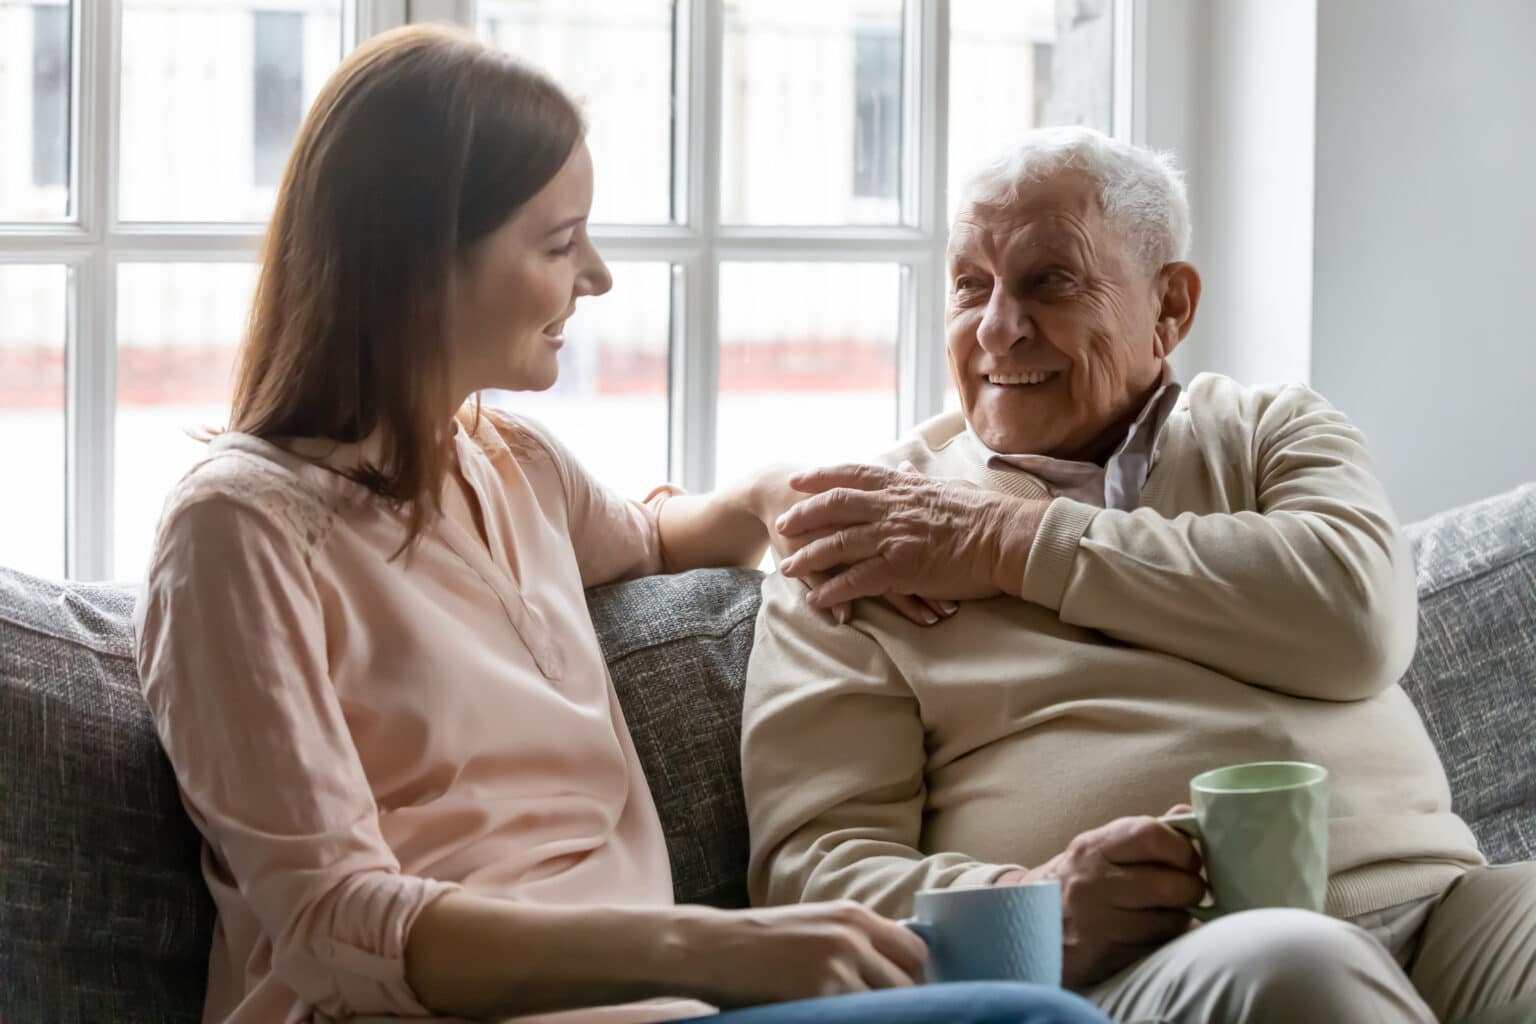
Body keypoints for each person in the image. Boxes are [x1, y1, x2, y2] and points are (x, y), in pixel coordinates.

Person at [133, 24, 1110, 1024]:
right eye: (559, 243)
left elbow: (662, 537)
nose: (595, 277)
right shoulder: (236, 530)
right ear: (420, 257)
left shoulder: (516, 466)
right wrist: (712, 944)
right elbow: (331, 921)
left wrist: (782, 496)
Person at [741, 126, 1536, 1023]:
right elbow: (813, 872)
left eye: (1050, 282)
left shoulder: (1272, 431)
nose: (998, 326)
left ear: (1170, 308)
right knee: (1295, 964)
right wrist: (1033, 903)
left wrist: (1012, 542)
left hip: (1444, 907)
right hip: (1170, 959)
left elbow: (1356, 621)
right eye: (971, 286)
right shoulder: (866, 536)